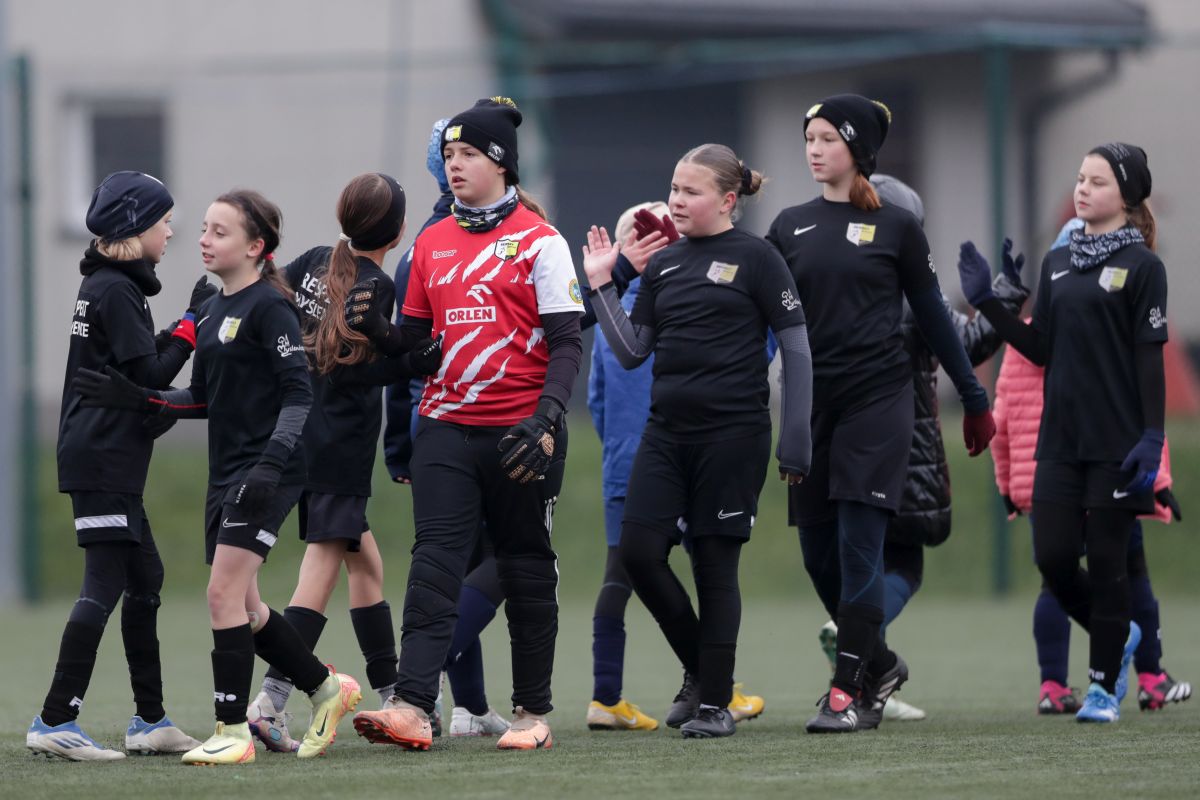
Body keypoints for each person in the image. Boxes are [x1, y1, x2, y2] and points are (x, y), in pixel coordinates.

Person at [74, 189, 362, 763]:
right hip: (225, 473)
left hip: (267, 473)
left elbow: (298, 396)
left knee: (221, 595)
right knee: (248, 609)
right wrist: (142, 399)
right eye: (204, 228)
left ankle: (232, 731)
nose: (203, 240)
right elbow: (202, 397)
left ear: (256, 247)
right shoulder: (210, 312)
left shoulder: (270, 308)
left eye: (219, 232)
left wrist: (271, 465)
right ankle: (327, 689)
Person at [347, 97, 584, 751]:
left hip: (521, 432)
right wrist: (380, 332)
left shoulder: (541, 241)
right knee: (433, 564)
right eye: (449, 154)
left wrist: (547, 419)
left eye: (469, 154)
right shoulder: (431, 242)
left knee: (526, 565)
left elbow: (567, 343)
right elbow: (418, 349)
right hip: (445, 427)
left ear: (501, 163)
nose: (454, 164)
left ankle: (532, 714)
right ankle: (412, 707)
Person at [768, 95, 995, 733]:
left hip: (879, 401)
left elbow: (936, 319)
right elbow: (756, 310)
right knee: (818, 556)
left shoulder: (898, 227)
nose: (814, 150)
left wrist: (973, 399)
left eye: (827, 139)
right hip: (811, 407)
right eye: (808, 139)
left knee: (860, 547)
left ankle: (847, 695)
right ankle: (882, 665)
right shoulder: (788, 225)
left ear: (859, 150)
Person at [584, 143, 814, 739]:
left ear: (728, 200)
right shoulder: (664, 265)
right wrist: (601, 284)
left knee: (714, 567)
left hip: (733, 438)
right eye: (674, 189)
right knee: (639, 554)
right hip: (666, 436)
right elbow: (632, 352)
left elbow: (795, 348)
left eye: (691, 191)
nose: (677, 201)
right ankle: (708, 677)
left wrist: (796, 441)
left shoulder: (760, 258)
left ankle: (713, 705)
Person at [958, 141, 1165, 722]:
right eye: (1079, 179)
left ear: (1127, 195)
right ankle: (1118, 634)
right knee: (1053, 559)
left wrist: (1153, 436)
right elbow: (1039, 346)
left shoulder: (1144, 268)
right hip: (1060, 441)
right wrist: (987, 302)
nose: (1082, 189)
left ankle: (1101, 690)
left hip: (1117, 442)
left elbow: (1150, 357)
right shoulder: (1058, 262)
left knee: (1109, 564)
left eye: (1097, 182)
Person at [815, 174, 1030, 724]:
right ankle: (857, 642)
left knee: (858, 557)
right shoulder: (913, 295)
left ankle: (864, 674)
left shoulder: (836, 284)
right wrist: (1006, 293)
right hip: (907, 449)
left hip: (836, 442)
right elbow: (969, 343)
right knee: (903, 565)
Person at [244, 173, 440, 752]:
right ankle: (270, 702)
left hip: (300, 433)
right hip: (339, 445)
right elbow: (352, 372)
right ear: (398, 232)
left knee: (366, 566)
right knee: (320, 572)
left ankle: (395, 694)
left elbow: (288, 325)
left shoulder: (310, 260)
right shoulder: (377, 284)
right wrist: (411, 358)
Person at [27, 171, 205, 761]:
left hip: (108, 456)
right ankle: (56, 720)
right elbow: (150, 373)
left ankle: (150, 720)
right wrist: (192, 326)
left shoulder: (107, 284)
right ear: (136, 226)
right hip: (101, 456)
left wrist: (180, 329)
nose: (171, 231)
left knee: (145, 577)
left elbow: (135, 364)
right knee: (104, 582)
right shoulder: (115, 289)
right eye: (164, 221)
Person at [989, 218, 1190, 715]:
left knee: (1071, 573)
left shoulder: (1032, 340)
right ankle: (1148, 675)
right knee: (1117, 571)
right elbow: (1136, 403)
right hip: (1068, 463)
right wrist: (1160, 479)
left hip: (1068, 470)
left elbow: (1002, 416)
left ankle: (1064, 684)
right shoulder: (1092, 332)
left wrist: (1008, 483)